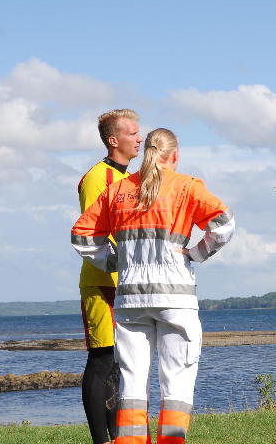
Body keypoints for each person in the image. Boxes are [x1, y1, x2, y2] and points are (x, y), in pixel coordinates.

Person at [71, 128, 235, 444]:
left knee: (131, 384)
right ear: (174, 155)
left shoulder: (118, 191)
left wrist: (113, 261)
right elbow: (224, 225)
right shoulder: (186, 186)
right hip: (175, 297)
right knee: (177, 382)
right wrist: (196, 253)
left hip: (130, 298)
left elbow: (82, 235)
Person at [78, 109, 142, 444]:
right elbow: (94, 231)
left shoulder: (133, 179)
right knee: (102, 358)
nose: (140, 139)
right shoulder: (96, 178)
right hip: (103, 283)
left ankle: (119, 437)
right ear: (114, 140)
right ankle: (100, 440)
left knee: (122, 363)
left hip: (130, 285)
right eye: (133, 133)